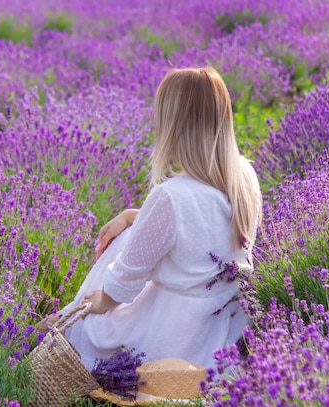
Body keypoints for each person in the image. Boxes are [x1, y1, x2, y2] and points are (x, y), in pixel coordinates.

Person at [59, 67, 262, 371]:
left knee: (122, 248)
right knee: (133, 230)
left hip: (173, 337)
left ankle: (64, 325)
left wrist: (101, 302)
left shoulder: (171, 196)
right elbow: (199, 231)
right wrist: (132, 216)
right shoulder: (243, 177)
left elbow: (126, 279)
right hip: (223, 330)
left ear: (173, 127)